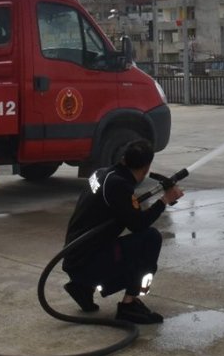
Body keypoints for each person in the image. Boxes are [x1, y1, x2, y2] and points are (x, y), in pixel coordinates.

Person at [62, 139, 184, 324]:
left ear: (123, 158)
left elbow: (125, 209)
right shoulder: (119, 186)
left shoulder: (102, 173)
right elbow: (139, 225)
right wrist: (164, 200)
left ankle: (82, 287)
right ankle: (129, 305)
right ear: (146, 167)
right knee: (150, 239)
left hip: (75, 257)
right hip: (86, 262)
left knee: (127, 244)